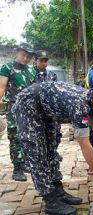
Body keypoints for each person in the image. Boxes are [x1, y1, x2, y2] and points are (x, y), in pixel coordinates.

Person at [12, 82, 93, 215]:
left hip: (47, 108)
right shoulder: (80, 106)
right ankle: (50, 199)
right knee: (37, 151)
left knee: (51, 147)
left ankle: (57, 190)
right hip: (29, 104)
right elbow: (85, 144)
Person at [0, 43, 36, 181]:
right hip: (13, 107)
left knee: (27, 136)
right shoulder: (7, 67)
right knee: (15, 136)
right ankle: (17, 168)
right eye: (23, 55)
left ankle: (25, 162)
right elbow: (1, 87)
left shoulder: (32, 71)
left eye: (28, 56)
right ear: (17, 53)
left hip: (28, 108)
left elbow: (33, 90)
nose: (25, 58)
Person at [34, 50, 63, 163]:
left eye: (46, 61)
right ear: (35, 60)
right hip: (37, 111)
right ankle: (40, 156)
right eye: (41, 60)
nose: (44, 63)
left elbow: (55, 92)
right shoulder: (31, 74)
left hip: (50, 111)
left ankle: (53, 152)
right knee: (38, 135)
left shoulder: (52, 75)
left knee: (55, 133)